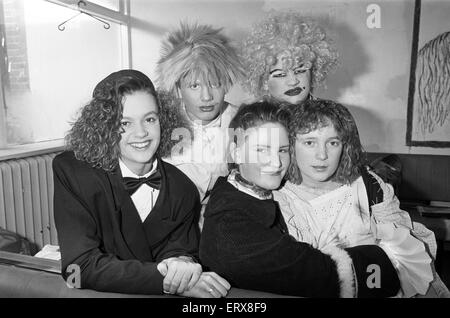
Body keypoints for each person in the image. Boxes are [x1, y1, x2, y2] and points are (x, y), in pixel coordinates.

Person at [53, 69, 230, 297]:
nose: (141, 133)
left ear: (163, 121)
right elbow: (76, 269)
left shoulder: (182, 188)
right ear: (104, 127)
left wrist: (183, 265)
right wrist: (164, 279)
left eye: (150, 119)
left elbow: (181, 250)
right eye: (124, 123)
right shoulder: (74, 172)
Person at [199, 101, 401, 298]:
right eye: (261, 150)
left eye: (283, 150)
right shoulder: (228, 219)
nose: (276, 162)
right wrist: (381, 263)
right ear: (237, 154)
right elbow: (306, 270)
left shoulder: (253, 191)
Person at [274, 99, 450, 297]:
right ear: (290, 145)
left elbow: (405, 255)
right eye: (309, 142)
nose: (322, 155)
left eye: (333, 142)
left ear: (345, 146)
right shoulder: (276, 197)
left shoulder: (368, 185)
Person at [156, 23, 245, 207]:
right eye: (194, 86)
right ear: (178, 87)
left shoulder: (243, 122)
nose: (207, 97)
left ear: (227, 84)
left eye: (214, 84)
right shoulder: (159, 122)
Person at [239, 11, 338, 106]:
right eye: (280, 74)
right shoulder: (252, 120)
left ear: (313, 72)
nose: (293, 81)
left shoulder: (330, 117)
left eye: (300, 71)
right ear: (264, 82)